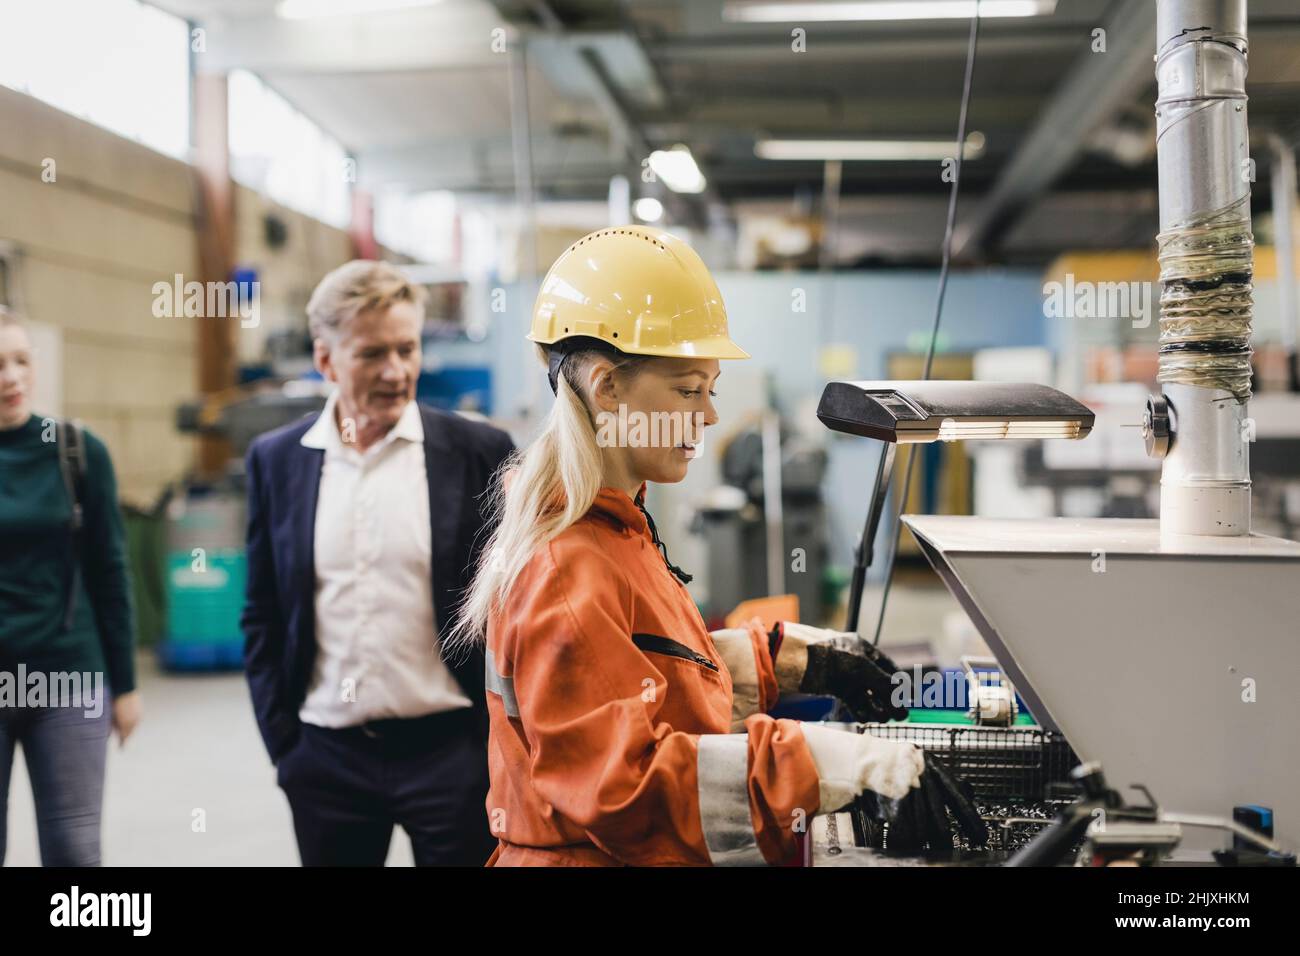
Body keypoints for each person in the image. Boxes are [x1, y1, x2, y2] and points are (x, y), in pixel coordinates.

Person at [450, 226, 983, 867]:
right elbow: (626, 790)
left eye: (711, 389)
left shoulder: (618, 529)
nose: (707, 416)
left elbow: (647, 679)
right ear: (606, 387)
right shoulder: (569, 564)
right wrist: (833, 763)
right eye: (687, 389)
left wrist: (795, 659)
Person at [241, 261, 514, 866]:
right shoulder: (276, 462)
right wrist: (284, 746)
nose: (396, 371)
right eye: (371, 354)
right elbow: (262, 609)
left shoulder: (477, 454)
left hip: (452, 756)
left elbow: (516, 610)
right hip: (325, 759)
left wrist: (494, 744)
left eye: (407, 348)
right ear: (325, 360)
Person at [0, 305, 140, 866]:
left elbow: (111, 570)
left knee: (75, 853)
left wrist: (125, 687)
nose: (11, 376)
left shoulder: (77, 452)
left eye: (21, 360)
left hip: (68, 676)